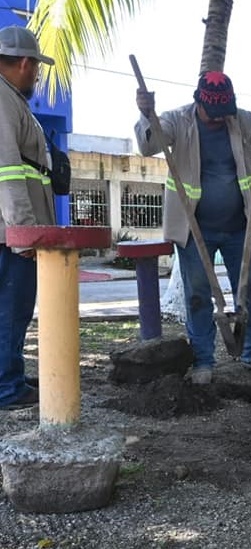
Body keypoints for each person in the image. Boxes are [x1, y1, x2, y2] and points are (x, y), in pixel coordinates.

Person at [134, 71, 251, 384]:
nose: (219, 120)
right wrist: (146, 114)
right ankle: (203, 360)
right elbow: (149, 145)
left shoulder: (242, 120)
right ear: (198, 102)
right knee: (198, 295)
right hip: (193, 230)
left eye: (224, 114)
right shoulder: (178, 121)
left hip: (238, 229)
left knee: (249, 291)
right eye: (213, 114)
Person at [0, 26, 56, 410]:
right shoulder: (3, 101)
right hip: (10, 232)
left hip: (10, 230)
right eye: (35, 66)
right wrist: (23, 233)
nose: (36, 74)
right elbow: (7, 170)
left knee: (11, 310)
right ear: (24, 63)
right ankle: (7, 386)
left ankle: (10, 375)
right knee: (12, 309)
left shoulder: (12, 100)